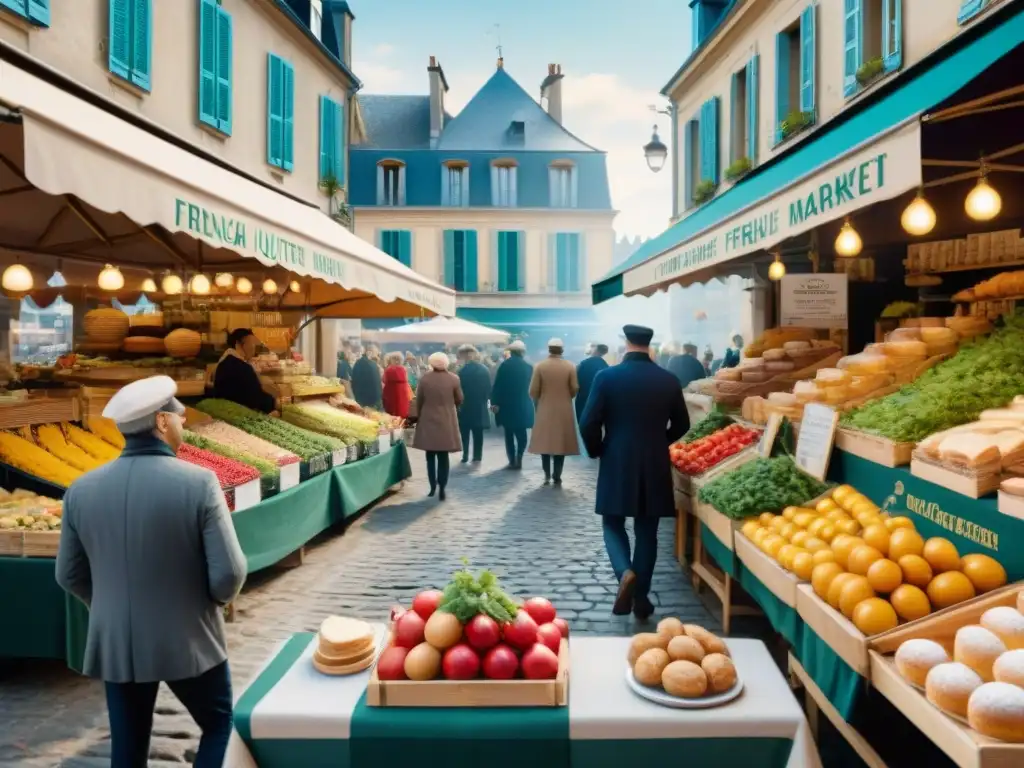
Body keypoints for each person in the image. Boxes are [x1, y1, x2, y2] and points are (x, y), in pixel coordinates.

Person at [55, 376, 246, 768]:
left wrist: (107, 604)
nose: (183, 423)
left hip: (117, 641)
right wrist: (212, 602)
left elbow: (68, 575)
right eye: (178, 416)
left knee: (127, 746)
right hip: (189, 634)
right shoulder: (200, 483)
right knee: (219, 725)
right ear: (161, 423)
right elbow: (229, 574)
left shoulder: (80, 490)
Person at [580, 325, 689, 620]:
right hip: (654, 460)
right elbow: (682, 424)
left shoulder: (607, 376)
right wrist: (659, 441)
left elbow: (588, 422)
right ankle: (640, 597)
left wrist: (598, 449)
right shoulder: (668, 380)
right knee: (647, 531)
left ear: (626, 342)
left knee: (612, 523)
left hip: (616, 457)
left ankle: (624, 572)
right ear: (649, 344)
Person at [528, 338, 580, 485]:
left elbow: (533, 391)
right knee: (560, 442)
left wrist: (541, 398)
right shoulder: (570, 366)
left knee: (545, 441)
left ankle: (546, 474)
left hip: (545, 407)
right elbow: (575, 387)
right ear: (562, 350)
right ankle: (557, 474)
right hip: (564, 408)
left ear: (549, 349)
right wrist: (566, 396)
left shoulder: (540, 366)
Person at [412, 352, 463, 500]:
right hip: (447, 419)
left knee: (430, 455)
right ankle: (442, 486)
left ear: (432, 363)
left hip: (428, 418)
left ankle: (432, 486)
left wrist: (419, 415)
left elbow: (419, 400)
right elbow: (460, 398)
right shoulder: (454, 379)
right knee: (443, 456)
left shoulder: (425, 379)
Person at [212, 328, 278, 415]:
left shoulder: (224, 362)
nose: (254, 347)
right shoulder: (242, 368)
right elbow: (256, 398)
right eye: (251, 343)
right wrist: (275, 402)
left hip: (226, 412)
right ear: (238, 345)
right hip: (239, 415)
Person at [490, 340, 534, 469]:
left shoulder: (504, 366)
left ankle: (511, 459)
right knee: (521, 434)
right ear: (522, 352)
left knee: (508, 434)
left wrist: (494, 403)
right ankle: (519, 456)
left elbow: (497, 386)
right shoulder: (529, 366)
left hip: (506, 404)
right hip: (522, 403)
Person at [457, 345, 491, 464]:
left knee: (465, 432)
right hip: (479, 405)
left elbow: (458, 389)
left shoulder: (461, 371)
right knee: (478, 433)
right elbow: (488, 388)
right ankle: (477, 456)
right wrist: (485, 399)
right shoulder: (484, 369)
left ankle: (465, 454)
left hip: (465, 405)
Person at [575, 343, 609, 423]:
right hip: (597, 399)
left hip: (582, 398)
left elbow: (575, 381)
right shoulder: (605, 366)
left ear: (596, 351)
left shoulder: (583, 364)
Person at [381, 351, 412, 419]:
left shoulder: (388, 370)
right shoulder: (404, 370)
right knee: (401, 417)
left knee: (392, 418)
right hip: (403, 397)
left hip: (390, 398)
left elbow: (383, 380)